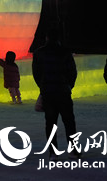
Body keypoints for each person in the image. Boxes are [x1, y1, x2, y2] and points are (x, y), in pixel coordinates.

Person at [32, 27, 79, 157]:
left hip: (48, 92)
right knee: (69, 122)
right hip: (63, 91)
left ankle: (53, 151)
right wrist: (69, 85)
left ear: (46, 37)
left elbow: (36, 73)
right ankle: (73, 149)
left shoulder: (39, 53)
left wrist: (42, 86)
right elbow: (72, 72)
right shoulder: (65, 52)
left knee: (50, 123)